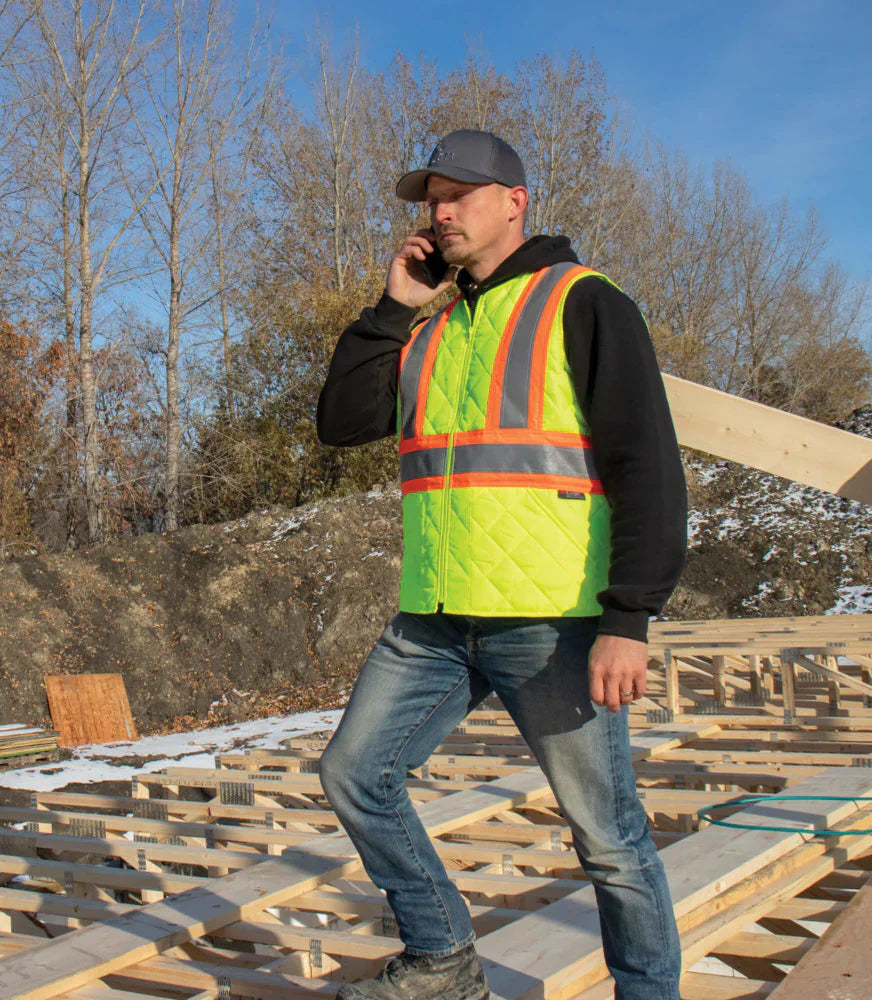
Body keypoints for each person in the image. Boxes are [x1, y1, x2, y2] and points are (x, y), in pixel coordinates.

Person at [316, 129, 687, 1000]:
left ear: (515, 202)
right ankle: (443, 959)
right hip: (435, 621)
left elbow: (649, 467)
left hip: (553, 620)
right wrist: (391, 305)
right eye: (430, 201)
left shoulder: (586, 302)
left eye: (459, 196)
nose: (439, 213)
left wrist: (628, 618)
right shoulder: (432, 329)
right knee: (354, 774)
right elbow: (341, 422)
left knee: (607, 837)